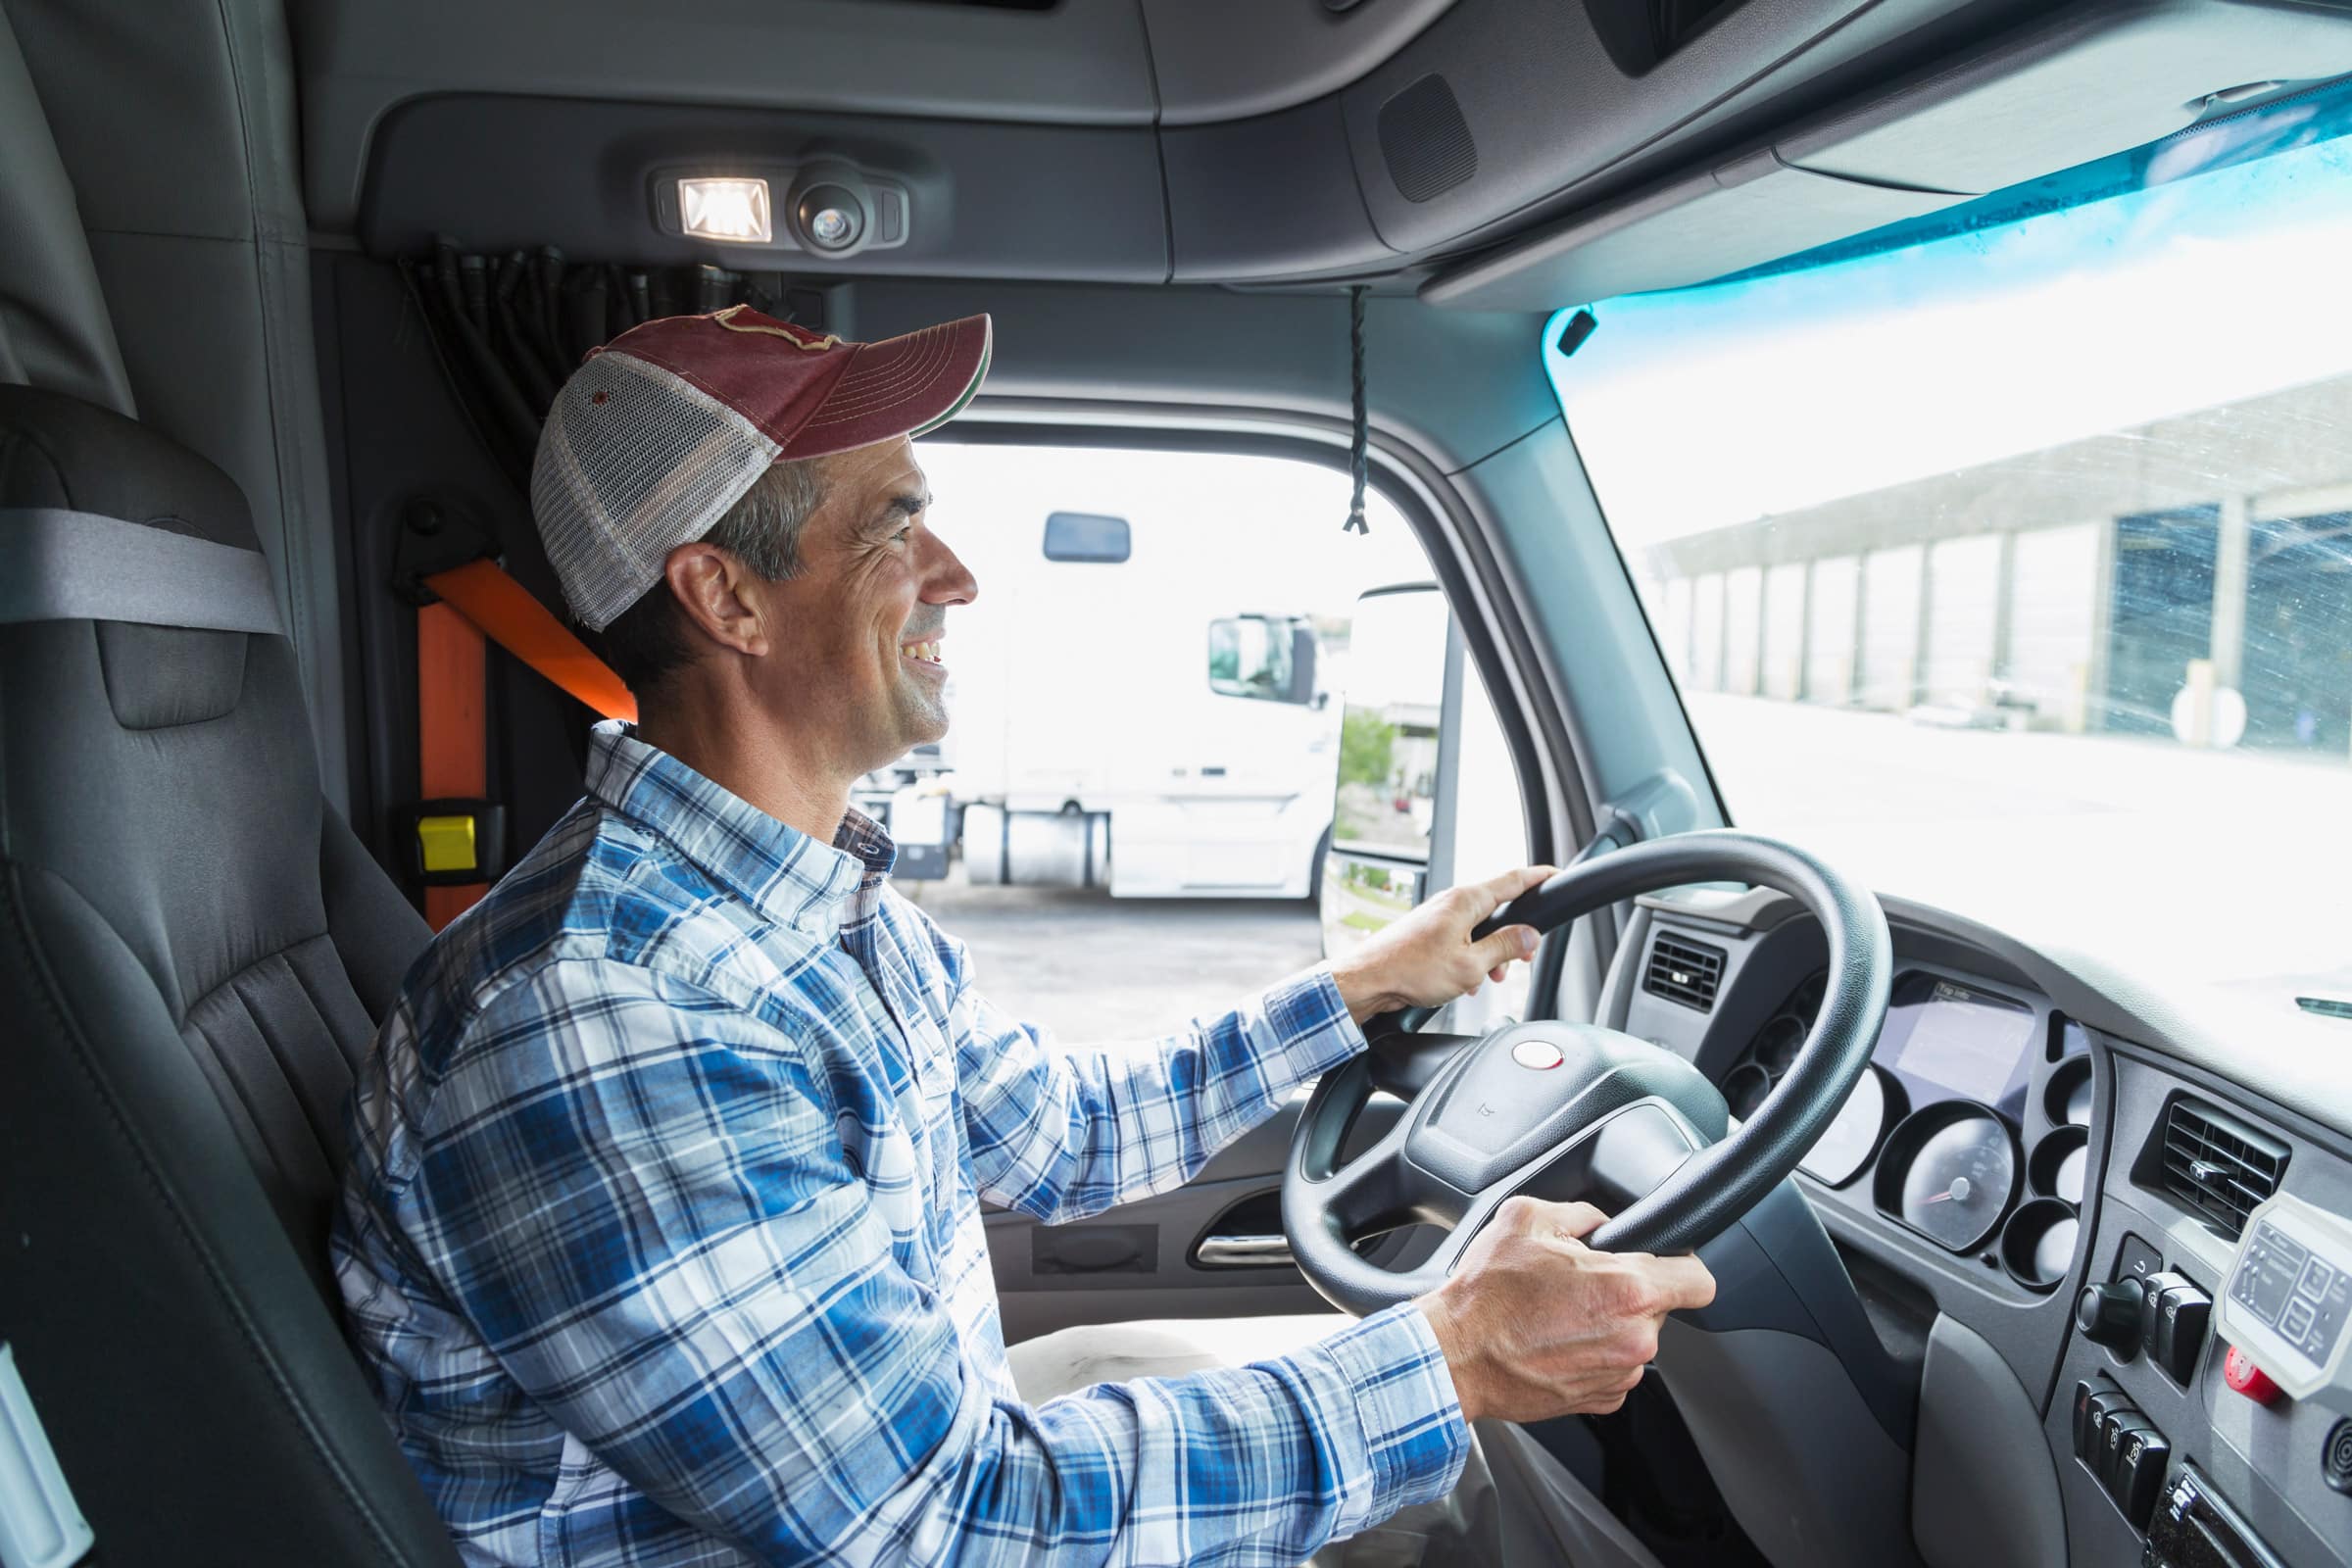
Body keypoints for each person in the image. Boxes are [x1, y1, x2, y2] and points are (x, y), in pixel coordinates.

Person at [334, 305, 1716, 1566]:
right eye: (893, 526)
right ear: (726, 599)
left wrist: (1365, 986)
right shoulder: (608, 1017)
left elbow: (1062, 1134)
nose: (957, 577)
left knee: (1434, 1460)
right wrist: (1455, 1354)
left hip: (920, 1466)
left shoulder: (809, 906)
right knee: (1449, 1469)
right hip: (905, 1522)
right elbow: (942, 1528)